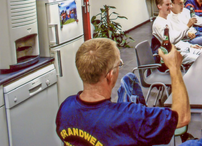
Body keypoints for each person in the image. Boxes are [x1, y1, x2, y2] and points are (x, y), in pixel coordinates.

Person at [55, 38, 191, 146]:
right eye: (119, 64)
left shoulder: (66, 108)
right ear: (110, 75)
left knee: (129, 80)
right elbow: (182, 118)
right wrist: (174, 68)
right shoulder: (130, 118)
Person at [153, 0, 202, 65]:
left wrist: (190, 46)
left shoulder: (167, 20)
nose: (170, 7)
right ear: (159, 6)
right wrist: (188, 26)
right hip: (171, 57)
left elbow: (176, 41)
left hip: (179, 50)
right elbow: (172, 40)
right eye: (167, 5)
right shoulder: (158, 23)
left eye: (170, 4)